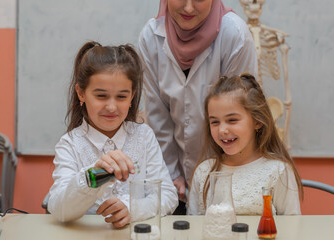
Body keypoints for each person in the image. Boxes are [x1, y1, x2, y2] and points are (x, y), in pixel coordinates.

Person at [137, 0, 258, 213]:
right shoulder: (151, 37)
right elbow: (158, 117)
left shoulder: (234, 34)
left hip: (230, 178)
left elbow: (240, 116)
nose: (189, 8)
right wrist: (171, 175)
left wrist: (218, 180)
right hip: (176, 184)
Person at [47, 41, 178, 228]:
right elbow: (59, 209)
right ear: (81, 93)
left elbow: (167, 195)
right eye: (101, 96)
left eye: (122, 97)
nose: (111, 107)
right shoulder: (70, 144)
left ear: (132, 96)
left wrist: (132, 208)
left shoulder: (143, 136)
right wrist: (92, 176)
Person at [187, 73, 303, 215]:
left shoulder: (278, 171)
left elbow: (291, 228)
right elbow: (193, 227)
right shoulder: (204, 171)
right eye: (215, 122)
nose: (222, 130)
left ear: (257, 121)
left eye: (232, 120)